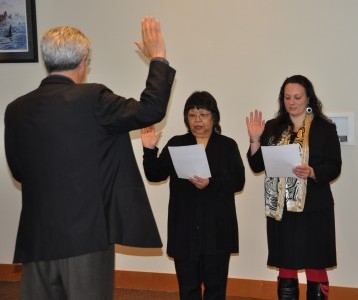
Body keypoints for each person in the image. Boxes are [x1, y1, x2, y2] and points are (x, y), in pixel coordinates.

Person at [4, 17, 176, 300]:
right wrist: (158, 57)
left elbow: (19, 171)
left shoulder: (16, 109)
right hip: (87, 238)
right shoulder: (94, 98)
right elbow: (150, 110)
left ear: (47, 61)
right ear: (84, 60)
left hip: (36, 240)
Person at [141, 91, 245, 300]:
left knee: (215, 290)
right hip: (185, 229)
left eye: (203, 114)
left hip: (216, 229)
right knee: (188, 289)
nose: (197, 120)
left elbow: (238, 181)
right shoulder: (177, 143)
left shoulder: (227, 145)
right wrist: (149, 150)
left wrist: (211, 182)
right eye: (192, 115)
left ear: (213, 117)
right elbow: (155, 175)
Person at [246, 75, 341, 300]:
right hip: (282, 210)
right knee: (286, 264)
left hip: (315, 208)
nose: (292, 102)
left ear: (308, 98)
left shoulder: (324, 127)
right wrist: (254, 140)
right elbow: (257, 165)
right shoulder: (272, 126)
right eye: (287, 97)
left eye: (297, 97)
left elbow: (334, 166)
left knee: (316, 263)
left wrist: (312, 171)